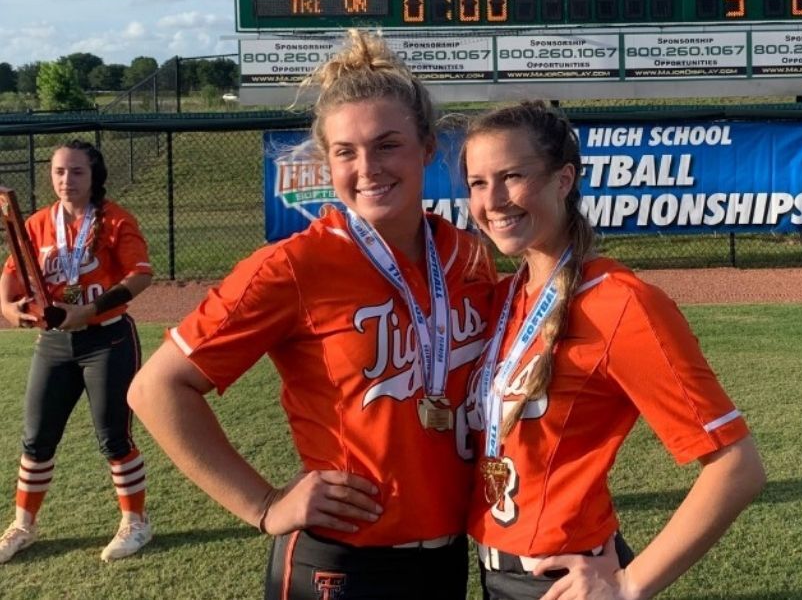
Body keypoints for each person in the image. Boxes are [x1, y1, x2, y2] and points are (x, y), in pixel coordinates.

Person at [128, 30, 495, 600]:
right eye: (345, 151)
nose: (367, 167)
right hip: (341, 563)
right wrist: (265, 504)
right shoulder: (293, 266)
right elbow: (156, 389)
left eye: (387, 144)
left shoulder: (468, 255)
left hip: (448, 555)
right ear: (327, 160)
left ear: (427, 146)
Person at [459, 101, 766, 600]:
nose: (492, 200)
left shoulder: (621, 304)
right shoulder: (506, 296)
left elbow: (738, 466)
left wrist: (629, 585)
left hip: (565, 580)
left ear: (563, 180)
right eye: (477, 182)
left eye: (511, 176)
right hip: (495, 571)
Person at [0, 139, 155, 564]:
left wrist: (85, 310)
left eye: (77, 172)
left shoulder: (115, 220)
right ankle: (22, 526)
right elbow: (10, 276)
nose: (66, 180)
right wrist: (8, 308)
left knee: (113, 437)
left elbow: (140, 276)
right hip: (53, 343)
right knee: (36, 438)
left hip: (106, 339)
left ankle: (136, 522)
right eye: (59, 172)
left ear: (94, 176)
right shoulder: (35, 223)